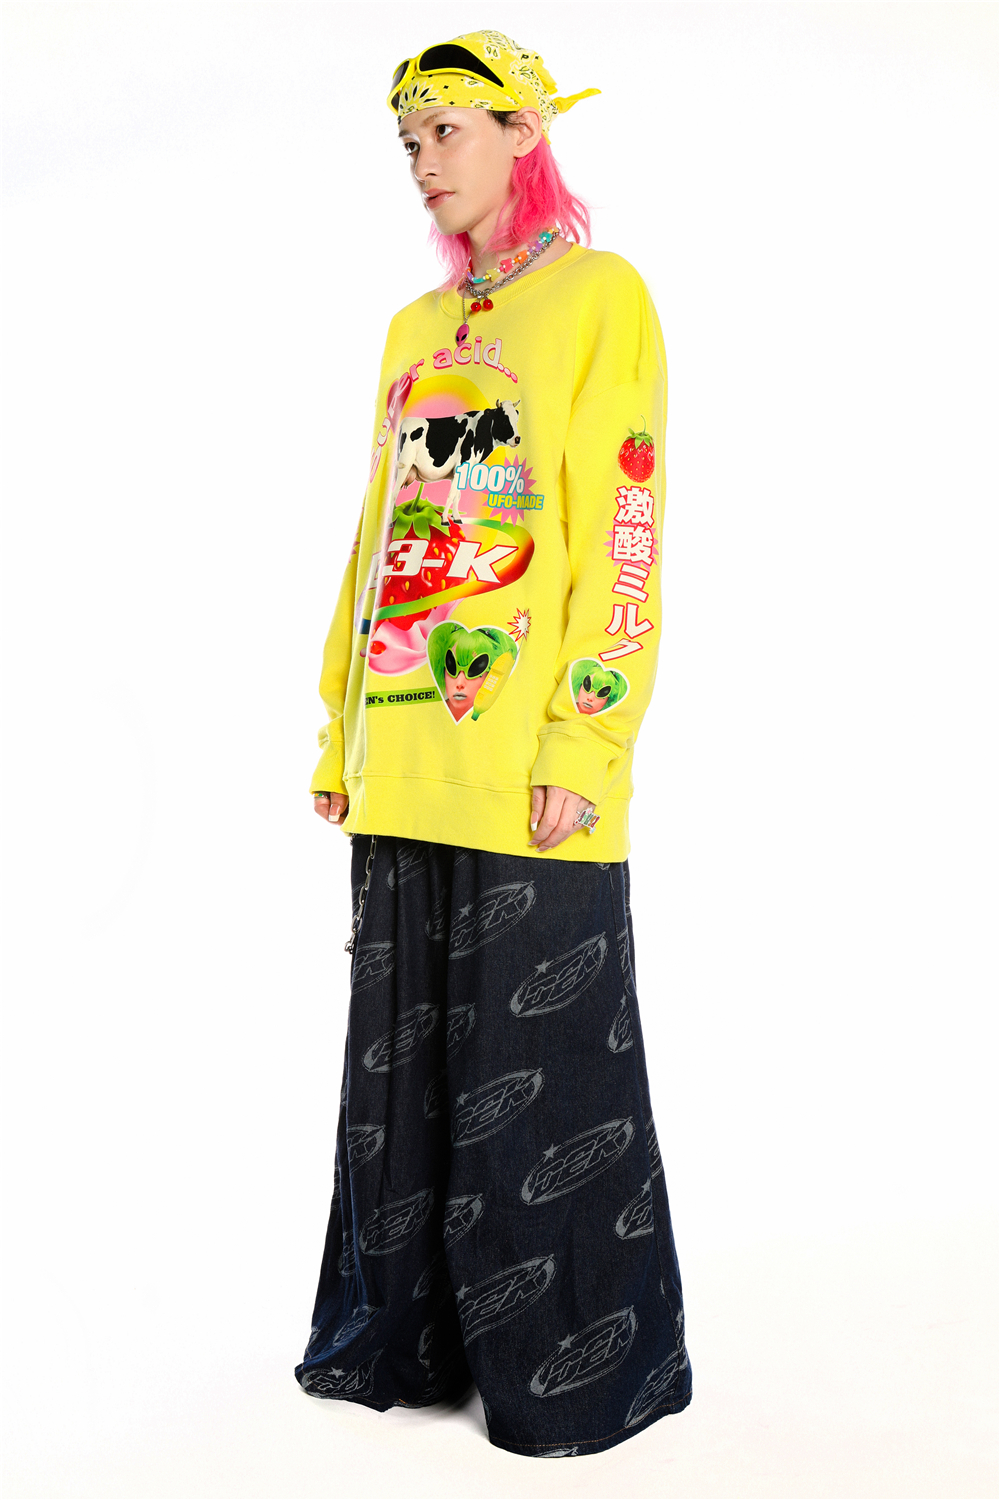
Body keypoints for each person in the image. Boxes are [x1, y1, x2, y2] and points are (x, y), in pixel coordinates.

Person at [294, 29, 692, 1458]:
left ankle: (581, 1375)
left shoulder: (601, 298)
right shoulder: (414, 329)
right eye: (407, 141)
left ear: (525, 131)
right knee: (400, 1094)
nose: (422, 161)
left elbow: (625, 530)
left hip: (531, 770)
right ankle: (408, 1347)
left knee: (549, 1086)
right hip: (403, 755)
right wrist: (339, 724)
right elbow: (381, 536)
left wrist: (586, 745)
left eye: (447, 131)